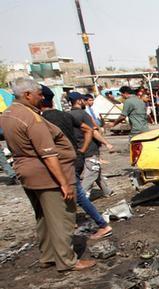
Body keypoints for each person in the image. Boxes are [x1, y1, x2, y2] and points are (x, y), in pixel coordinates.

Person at [0, 78, 95, 271]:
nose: (41, 97)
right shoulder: (31, 118)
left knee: (43, 217)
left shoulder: (9, 114)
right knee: (62, 217)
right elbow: (48, 154)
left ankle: (48, 256)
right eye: (39, 94)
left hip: (27, 172)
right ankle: (67, 260)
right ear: (27, 94)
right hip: (46, 175)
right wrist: (64, 183)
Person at [40, 87, 112, 240]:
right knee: (75, 191)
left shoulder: (43, 119)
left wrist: (83, 149)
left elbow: (91, 130)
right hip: (75, 157)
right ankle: (77, 222)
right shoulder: (65, 116)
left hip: (62, 162)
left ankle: (102, 225)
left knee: (76, 192)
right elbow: (89, 130)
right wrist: (81, 150)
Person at [68, 92, 113, 199]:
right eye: (84, 100)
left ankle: (107, 191)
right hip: (89, 147)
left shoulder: (69, 115)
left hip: (79, 146)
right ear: (79, 101)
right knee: (92, 172)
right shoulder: (83, 114)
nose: (86, 102)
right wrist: (106, 143)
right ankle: (80, 196)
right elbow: (93, 132)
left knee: (96, 170)